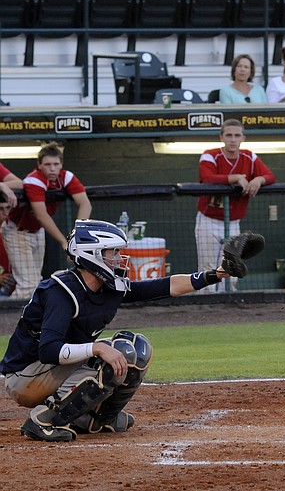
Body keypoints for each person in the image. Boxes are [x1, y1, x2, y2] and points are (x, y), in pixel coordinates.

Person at [0, 219, 233, 442]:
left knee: (136, 349)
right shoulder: (61, 291)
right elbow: (48, 351)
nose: (120, 258)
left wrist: (216, 274)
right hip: (25, 376)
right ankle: (44, 420)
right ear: (92, 255)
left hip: (52, 369)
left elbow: (164, 286)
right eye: (113, 252)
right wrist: (97, 348)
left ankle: (97, 418)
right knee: (113, 352)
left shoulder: (108, 285)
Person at [196, 119, 276, 292]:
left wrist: (259, 179)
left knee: (231, 264)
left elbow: (270, 176)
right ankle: (206, 304)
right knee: (208, 266)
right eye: (229, 135)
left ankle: (228, 305)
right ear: (221, 137)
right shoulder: (210, 154)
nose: (233, 139)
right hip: (208, 220)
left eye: (237, 135)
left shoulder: (249, 156)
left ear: (243, 138)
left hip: (233, 222)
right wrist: (237, 177)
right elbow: (207, 178)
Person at [2, 143, 91, 299]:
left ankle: (32, 320)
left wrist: (76, 238)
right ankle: (10, 320)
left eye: (56, 164)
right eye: (48, 164)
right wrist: (65, 243)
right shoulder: (34, 180)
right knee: (27, 286)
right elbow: (41, 215)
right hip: (17, 232)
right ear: (39, 165)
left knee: (36, 283)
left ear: (61, 165)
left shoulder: (66, 176)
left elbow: (85, 204)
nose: (52, 168)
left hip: (37, 232)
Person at [0, 193, 16, 296]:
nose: (6, 213)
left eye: (8, 208)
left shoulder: (15, 232)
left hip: (16, 288)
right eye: (1, 209)